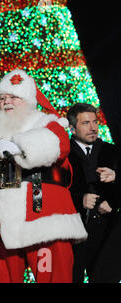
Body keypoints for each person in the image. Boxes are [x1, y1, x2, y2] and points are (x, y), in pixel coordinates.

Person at [0, 69, 88, 283]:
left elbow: (58, 147)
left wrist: (18, 146)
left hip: (43, 218)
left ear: (28, 100)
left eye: (13, 97)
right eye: (2, 98)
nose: (6, 102)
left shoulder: (48, 125)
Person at [66, 103, 120, 283]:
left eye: (95, 122)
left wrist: (114, 192)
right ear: (72, 128)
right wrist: (79, 200)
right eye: (86, 123)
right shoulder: (61, 154)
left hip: (107, 231)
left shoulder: (112, 151)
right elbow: (53, 190)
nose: (93, 128)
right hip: (73, 231)